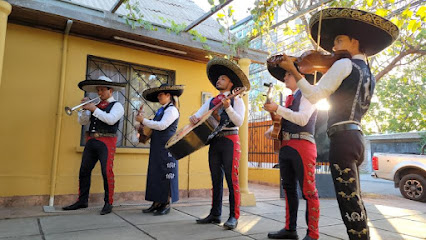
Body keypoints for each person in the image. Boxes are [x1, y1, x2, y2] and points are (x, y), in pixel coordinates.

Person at [270, 8, 399, 240]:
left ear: (355, 42)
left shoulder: (343, 65)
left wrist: (293, 70)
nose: (333, 47)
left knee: (348, 203)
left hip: (342, 138)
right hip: (357, 137)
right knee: (354, 199)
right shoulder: (366, 71)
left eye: (339, 40)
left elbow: (315, 95)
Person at [191, 57, 250, 230]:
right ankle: (215, 214)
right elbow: (198, 115)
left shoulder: (237, 99)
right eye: (218, 79)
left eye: (223, 78)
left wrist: (228, 107)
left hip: (230, 141)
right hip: (214, 142)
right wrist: (193, 118)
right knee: (216, 179)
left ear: (231, 83)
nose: (219, 80)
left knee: (232, 180)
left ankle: (234, 216)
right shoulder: (211, 101)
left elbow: (239, 122)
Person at [264, 64, 320, 240]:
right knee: (288, 189)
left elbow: (303, 119)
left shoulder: (309, 94)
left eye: (288, 74)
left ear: (299, 75)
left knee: (308, 191)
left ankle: (313, 234)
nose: (285, 78)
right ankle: (290, 229)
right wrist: (272, 128)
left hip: (303, 145)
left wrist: (277, 109)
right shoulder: (289, 99)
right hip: (287, 145)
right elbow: (284, 120)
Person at [62, 76, 126, 215]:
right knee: (84, 171)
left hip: (107, 142)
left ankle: (108, 202)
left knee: (106, 172)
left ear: (110, 90)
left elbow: (111, 120)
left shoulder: (118, 105)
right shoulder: (95, 105)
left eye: (102, 89)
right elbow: (83, 122)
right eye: (98, 90)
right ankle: (82, 200)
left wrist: (93, 109)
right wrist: (85, 110)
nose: (99, 93)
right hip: (91, 141)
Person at [136, 83, 184, 215]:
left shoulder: (172, 110)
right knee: (155, 173)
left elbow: (162, 126)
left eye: (161, 94)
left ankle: (166, 203)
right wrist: (142, 121)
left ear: (168, 95)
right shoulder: (161, 110)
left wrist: (144, 120)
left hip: (167, 147)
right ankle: (156, 202)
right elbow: (154, 126)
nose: (158, 96)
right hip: (158, 146)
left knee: (166, 174)